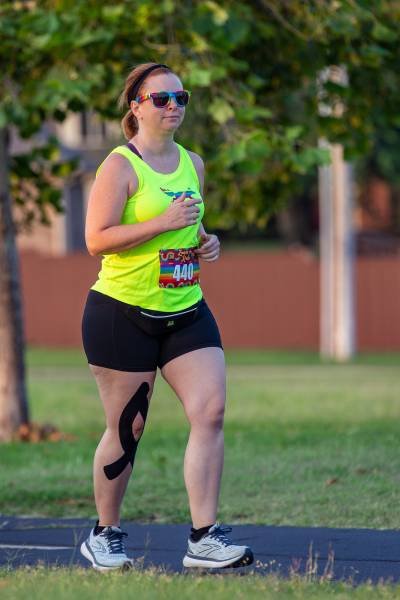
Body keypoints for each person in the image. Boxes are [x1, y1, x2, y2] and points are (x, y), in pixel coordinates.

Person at [80, 62, 254, 572]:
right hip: (122, 313)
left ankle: (204, 538)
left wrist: (204, 241)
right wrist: (162, 222)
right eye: (162, 99)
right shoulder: (120, 166)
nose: (174, 106)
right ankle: (104, 534)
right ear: (136, 107)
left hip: (185, 309)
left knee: (211, 411)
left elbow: (188, 228)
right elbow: (96, 239)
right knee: (128, 428)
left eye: (181, 97)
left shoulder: (193, 163)